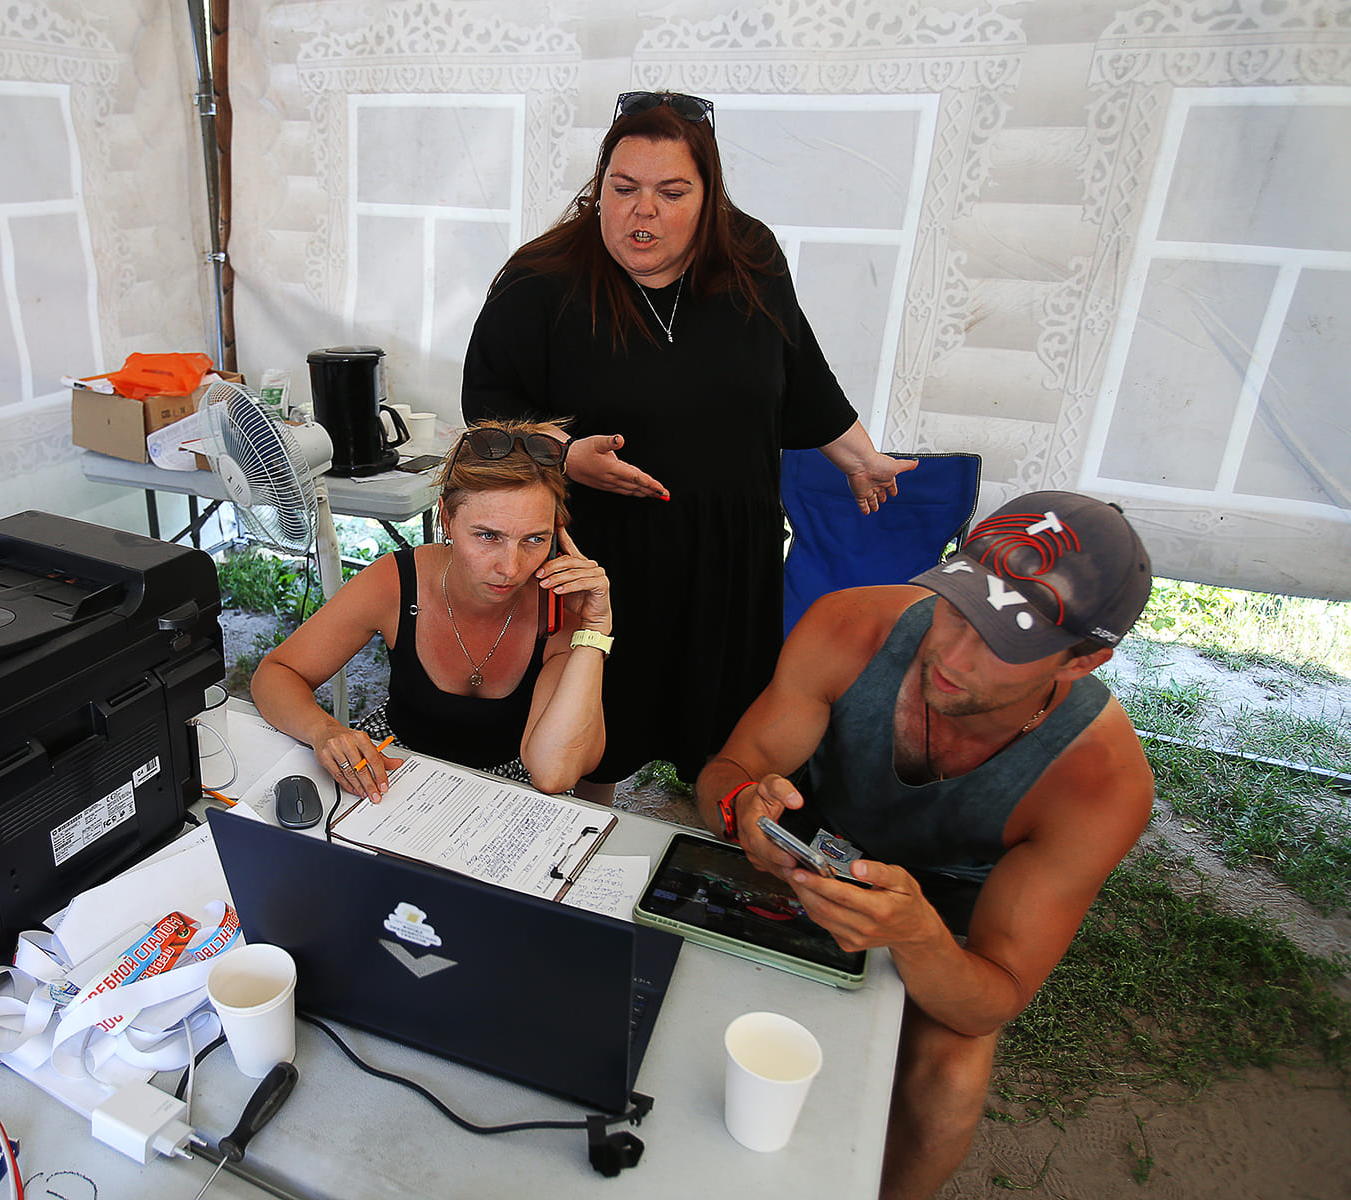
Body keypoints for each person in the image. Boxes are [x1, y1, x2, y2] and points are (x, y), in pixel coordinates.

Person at [694, 491, 1155, 1200]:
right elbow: (728, 773)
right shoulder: (851, 627)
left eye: (1005, 642)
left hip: (948, 914)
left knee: (948, 1084)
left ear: (1081, 661)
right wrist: (743, 811)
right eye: (957, 606)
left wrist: (916, 937)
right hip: (806, 852)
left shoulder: (1100, 783)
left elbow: (992, 997)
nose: (953, 654)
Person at [463, 90, 916, 799]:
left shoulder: (750, 256)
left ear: (709, 197)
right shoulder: (541, 281)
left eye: (672, 193)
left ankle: (722, 832)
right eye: (623, 189)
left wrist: (861, 459)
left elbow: (798, 371)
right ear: (599, 186)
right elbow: (490, 413)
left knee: (727, 737)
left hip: (731, 554)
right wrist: (565, 455)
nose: (643, 211)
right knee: (596, 737)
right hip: (608, 554)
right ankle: (586, 847)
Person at [251, 420, 612, 798]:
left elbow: (554, 773)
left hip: (509, 792)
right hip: (397, 770)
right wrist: (323, 730)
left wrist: (594, 629)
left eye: (534, 539)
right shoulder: (398, 581)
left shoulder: (559, 607)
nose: (511, 567)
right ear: (447, 519)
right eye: (488, 536)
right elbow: (276, 674)